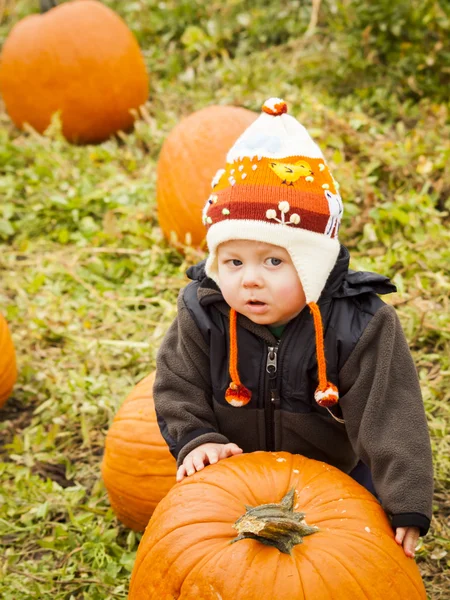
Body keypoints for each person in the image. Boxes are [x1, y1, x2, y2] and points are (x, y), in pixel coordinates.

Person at [154, 97, 433, 558]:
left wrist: (405, 501)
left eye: (273, 261)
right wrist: (197, 438)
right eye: (234, 261)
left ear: (313, 265)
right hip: (232, 473)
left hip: (337, 478)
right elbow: (177, 382)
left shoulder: (360, 323)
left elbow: (391, 413)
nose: (250, 278)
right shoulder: (204, 310)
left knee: (347, 562)